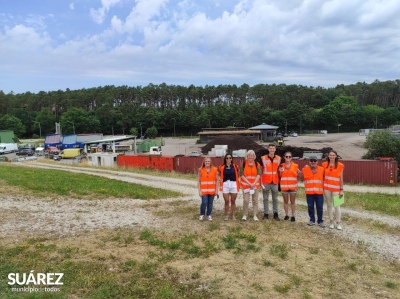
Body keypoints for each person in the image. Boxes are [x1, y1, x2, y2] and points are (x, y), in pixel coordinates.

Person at [322, 150, 345, 230]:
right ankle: (331, 221)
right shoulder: (324, 164)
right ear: (328, 156)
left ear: (336, 156)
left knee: (337, 206)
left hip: (336, 189)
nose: (332, 157)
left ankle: (338, 222)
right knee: (329, 205)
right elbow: (322, 176)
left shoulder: (340, 165)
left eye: (333, 155)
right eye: (330, 155)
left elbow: (341, 178)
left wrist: (341, 189)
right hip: (327, 188)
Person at [301, 156, 325, 227]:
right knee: (310, 207)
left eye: (315, 161)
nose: (313, 162)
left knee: (320, 207)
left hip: (319, 193)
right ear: (309, 162)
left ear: (317, 162)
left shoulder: (322, 169)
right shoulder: (304, 169)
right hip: (309, 193)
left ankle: (320, 221)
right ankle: (312, 220)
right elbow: (299, 175)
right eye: (311, 160)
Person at [261, 144, 282, 220]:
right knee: (265, 198)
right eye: (270, 148)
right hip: (266, 181)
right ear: (268, 149)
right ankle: (266, 213)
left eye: (273, 148)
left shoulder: (279, 158)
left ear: (275, 149)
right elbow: (261, 169)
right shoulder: (263, 158)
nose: (272, 150)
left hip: (275, 182)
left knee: (275, 199)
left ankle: (275, 214)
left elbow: (280, 170)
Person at [240, 150, 262, 221]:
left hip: (255, 186)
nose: (250, 157)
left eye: (252, 155)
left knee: (255, 200)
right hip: (246, 186)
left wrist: (254, 183)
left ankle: (255, 215)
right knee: (246, 200)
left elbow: (259, 174)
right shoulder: (243, 164)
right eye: (249, 155)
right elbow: (241, 175)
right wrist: (250, 184)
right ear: (247, 156)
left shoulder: (257, 164)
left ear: (254, 156)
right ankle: (244, 215)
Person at [279, 151, 300, 222]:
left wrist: (297, 181)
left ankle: (293, 215)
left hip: (293, 187)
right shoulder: (281, 166)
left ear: (291, 158)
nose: (288, 158)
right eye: (286, 156)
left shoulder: (295, 166)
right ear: (284, 157)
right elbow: (280, 176)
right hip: (284, 187)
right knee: (285, 201)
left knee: (292, 202)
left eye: (289, 157)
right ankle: (286, 215)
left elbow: (299, 174)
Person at [218, 153, 240, 221]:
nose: (228, 159)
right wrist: (219, 178)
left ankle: (233, 215)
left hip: (233, 184)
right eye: (227, 158)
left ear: (232, 159)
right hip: (225, 184)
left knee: (233, 201)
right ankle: (226, 215)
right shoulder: (221, 167)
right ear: (225, 159)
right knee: (226, 201)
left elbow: (239, 174)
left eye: (230, 158)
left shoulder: (236, 166)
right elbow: (218, 174)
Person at [197, 157, 219, 221]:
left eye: (208, 161)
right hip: (203, 191)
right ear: (204, 162)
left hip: (212, 191)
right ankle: (202, 214)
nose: (207, 162)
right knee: (204, 202)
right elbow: (198, 181)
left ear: (210, 162)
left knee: (210, 203)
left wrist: (216, 190)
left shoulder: (215, 170)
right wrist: (199, 191)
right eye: (206, 161)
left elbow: (217, 180)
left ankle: (209, 214)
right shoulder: (200, 170)